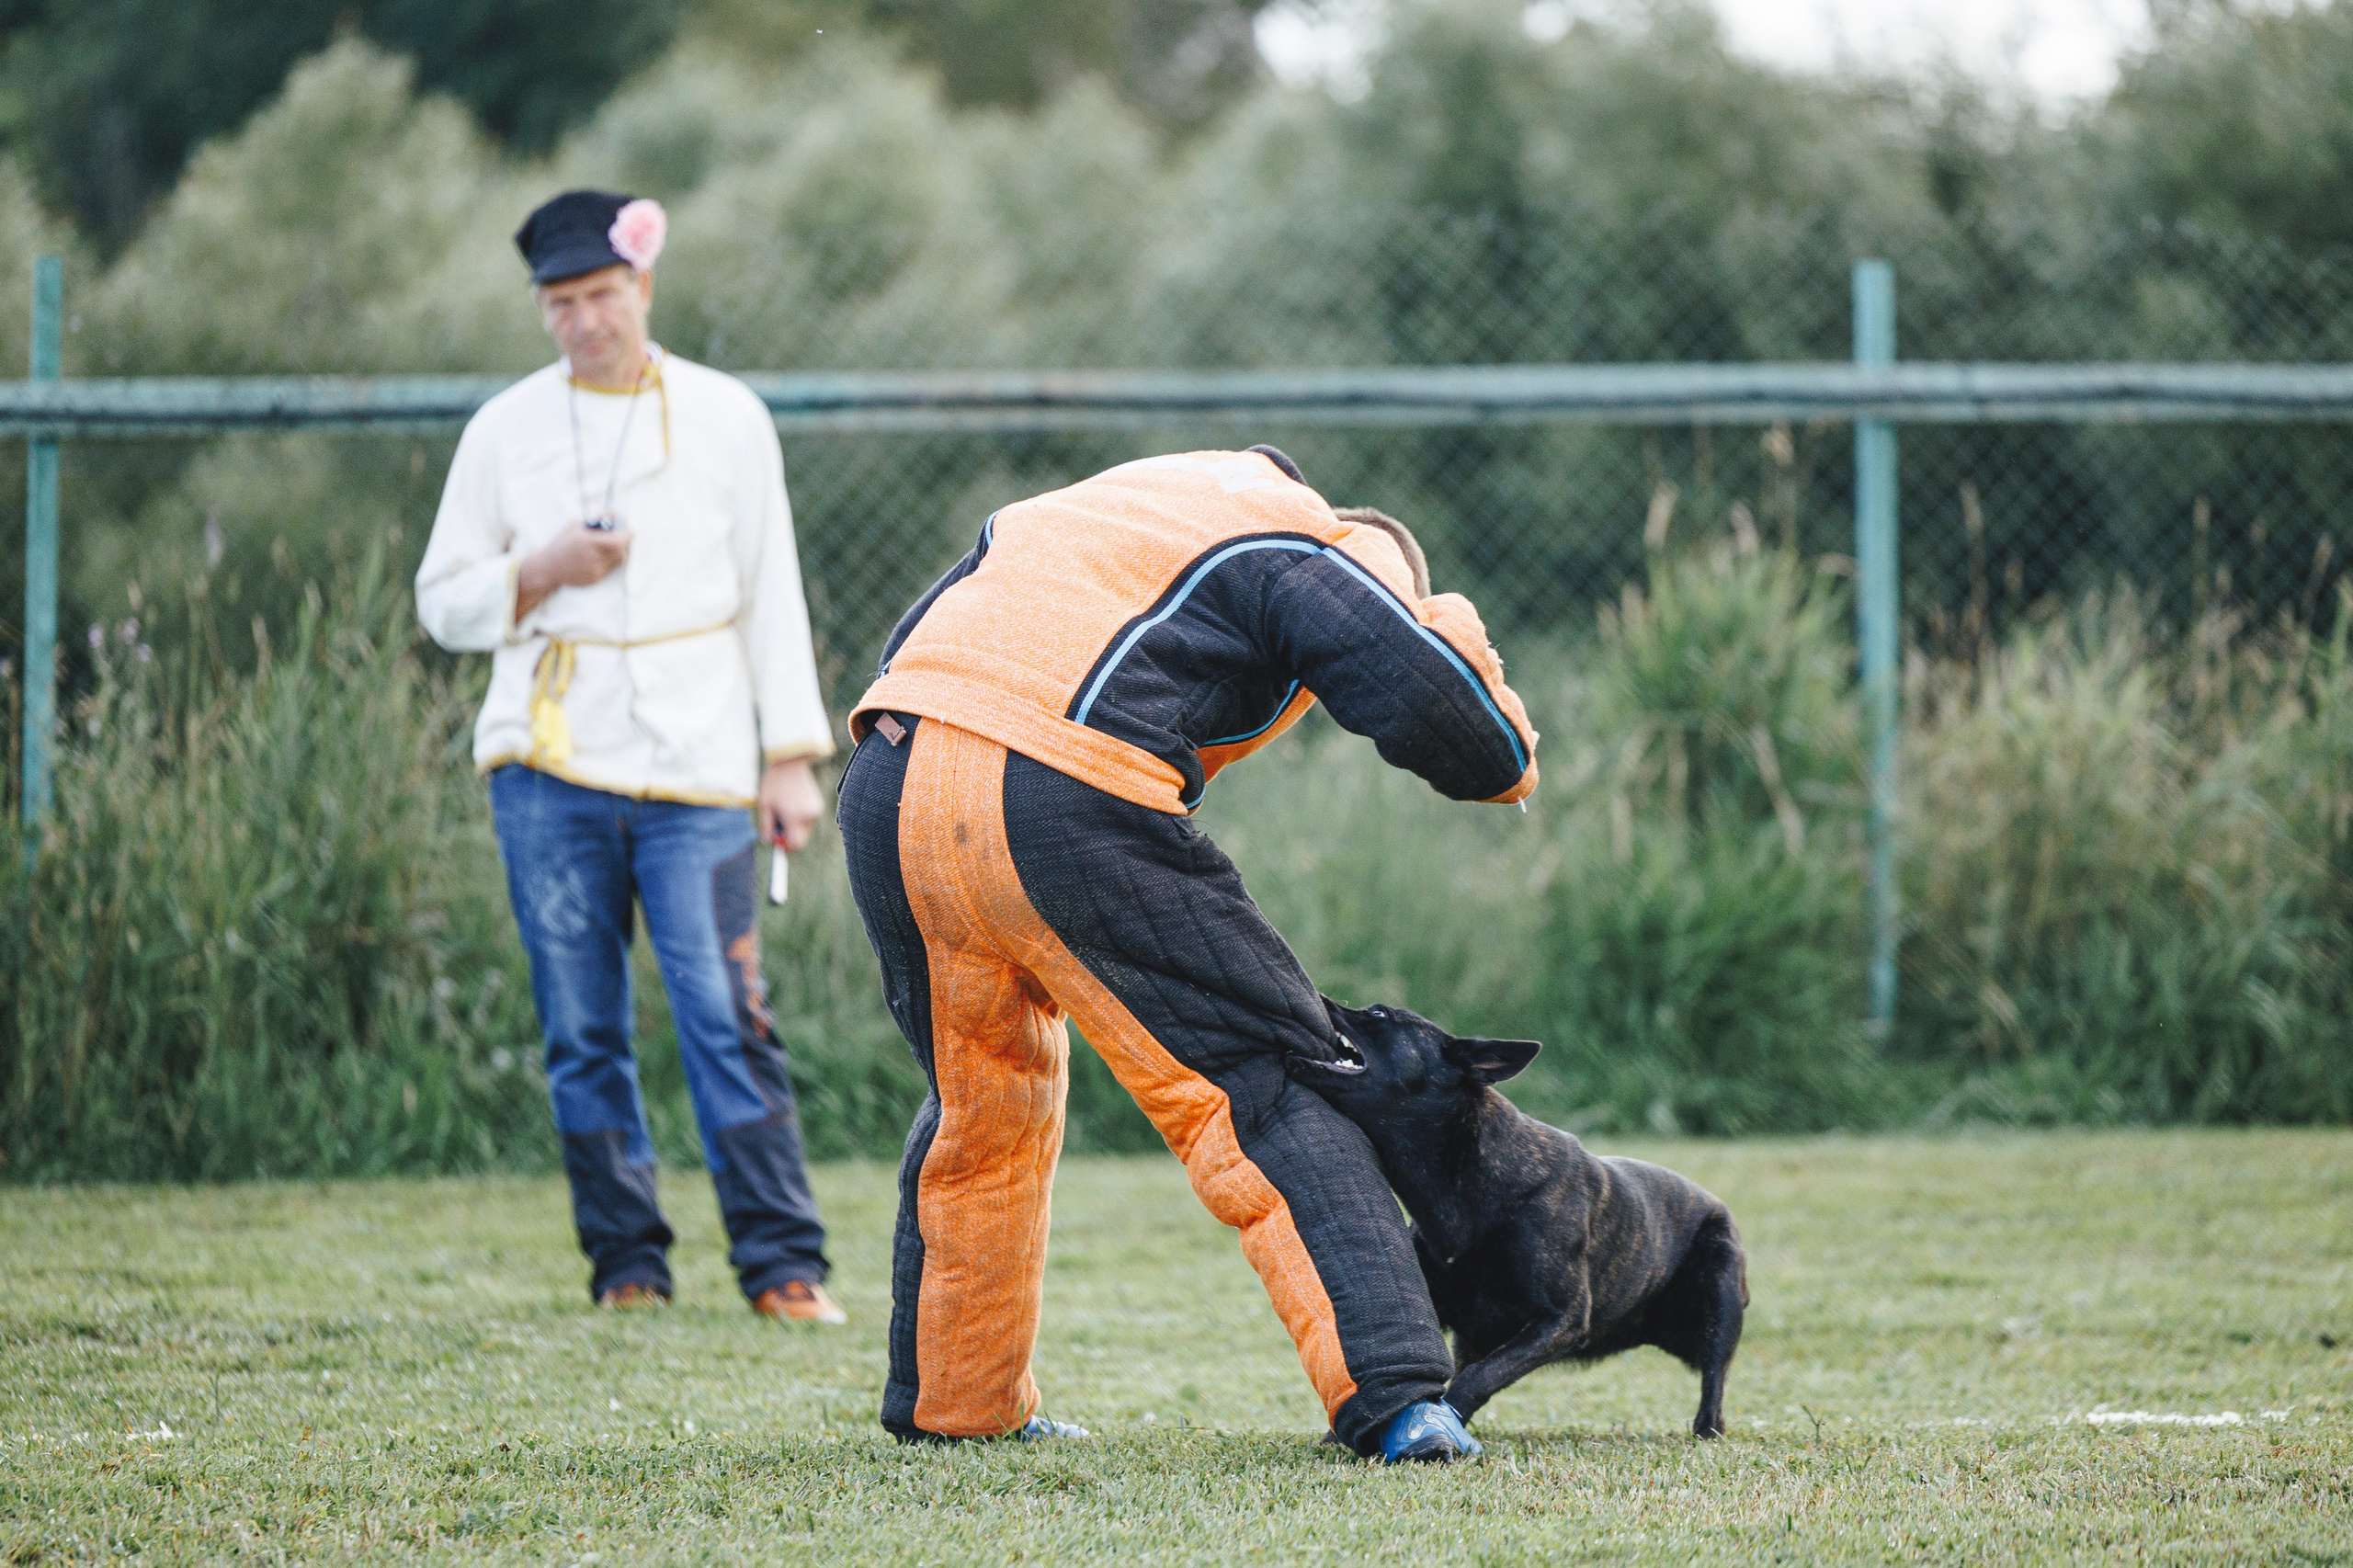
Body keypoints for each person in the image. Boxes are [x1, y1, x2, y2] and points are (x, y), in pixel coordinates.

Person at [835, 444, 1540, 1460]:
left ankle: (959, 1401)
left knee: (978, 1100)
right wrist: (1505, 747)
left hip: (890, 776)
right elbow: (1422, 684)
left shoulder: (1103, 504)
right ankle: (1398, 1398)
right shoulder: (1307, 533)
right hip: (1059, 789)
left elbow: (918, 647)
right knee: (1269, 1078)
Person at [415, 189, 846, 1324]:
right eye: (561, 303)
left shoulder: (727, 416)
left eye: (602, 295)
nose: (584, 320)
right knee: (581, 1022)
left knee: (725, 1010)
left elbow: (773, 592)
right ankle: (626, 1267)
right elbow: (442, 599)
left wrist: (788, 757)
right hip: (548, 766)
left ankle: (783, 1263)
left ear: (642, 289)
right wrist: (539, 567)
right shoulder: (501, 428)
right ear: (542, 309)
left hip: (700, 766)